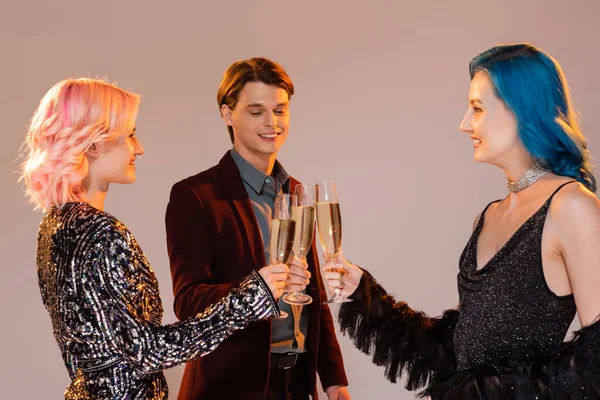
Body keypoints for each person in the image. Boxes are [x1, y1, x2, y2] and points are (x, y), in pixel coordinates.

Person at [321, 43, 600, 399]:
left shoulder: (571, 206)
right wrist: (362, 292)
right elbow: (456, 352)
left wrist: (483, 390)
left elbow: (595, 362)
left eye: (477, 108)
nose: (464, 124)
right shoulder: (487, 217)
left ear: (521, 111)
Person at [21, 78, 282, 400]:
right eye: (129, 135)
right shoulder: (100, 233)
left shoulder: (55, 226)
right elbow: (147, 351)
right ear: (93, 144)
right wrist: (250, 298)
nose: (139, 147)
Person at [165, 57, 350, 400]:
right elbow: (188, 301)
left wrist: (335, 381)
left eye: (280, 110)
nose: (272, 122)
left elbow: (316, 300)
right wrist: (256, 290)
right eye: (256, 111)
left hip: (294, 386)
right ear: (227, 114)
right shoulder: (194, 196)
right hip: (226, 389)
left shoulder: (298, 193)